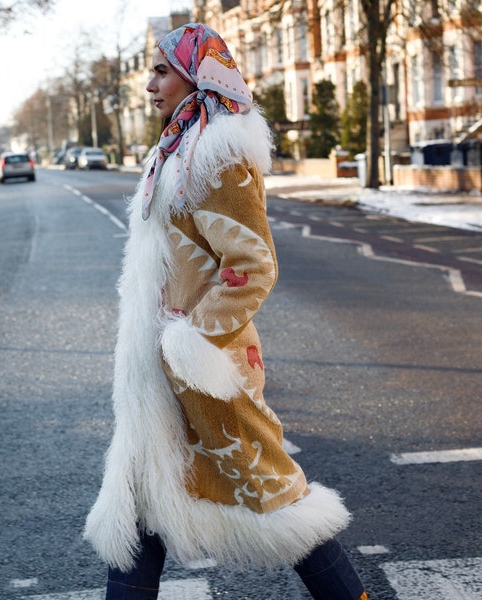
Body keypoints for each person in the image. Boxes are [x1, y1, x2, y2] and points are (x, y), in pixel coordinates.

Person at [84, 23, 368, 600]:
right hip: (161, 373)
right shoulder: (178, 149)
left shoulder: (217, 155)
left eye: (161, 70)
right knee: (140, 503)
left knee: (274, 496)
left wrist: (192, 345)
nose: (149, 86)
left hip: (206, 374)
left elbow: (253, 265)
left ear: (197, 74)